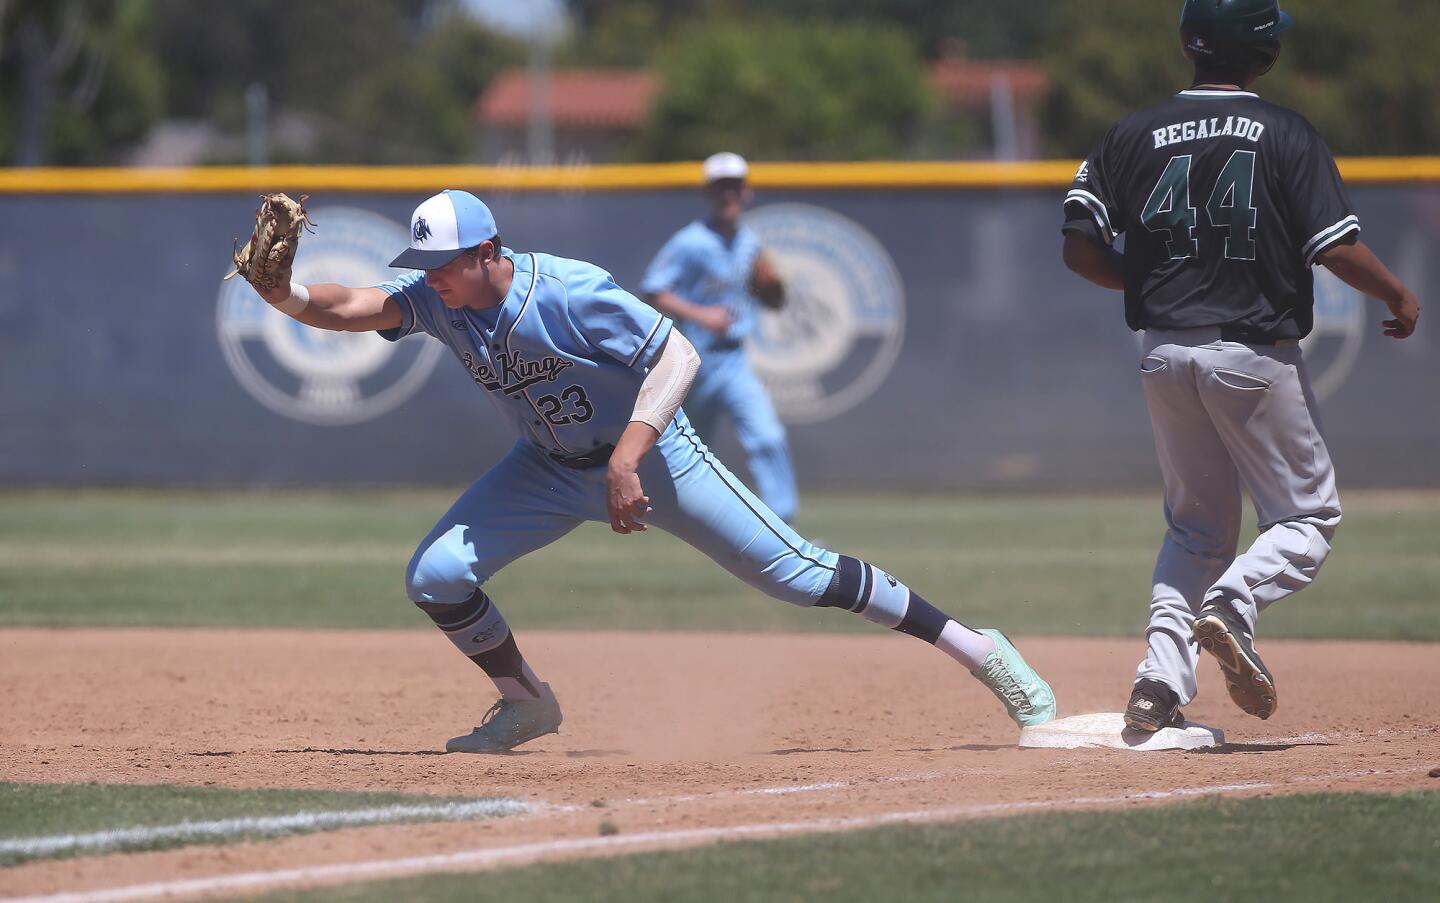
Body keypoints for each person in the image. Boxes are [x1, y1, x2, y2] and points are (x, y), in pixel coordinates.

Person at [246, 188, 1056, 752]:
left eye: (444, 262)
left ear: (487, 251)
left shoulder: (566, 292)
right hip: (547, 467)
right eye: (425, 264)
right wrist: (283, 296)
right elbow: (351, 305)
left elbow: (677, 352)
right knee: (436, 575)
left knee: (798, 575)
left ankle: (980, 649)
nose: (429, 276)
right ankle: (528, 704)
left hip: (655, 455)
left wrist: (630, 455)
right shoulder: (438, 298)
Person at [1060, 0, 1420, 732]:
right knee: (1308, 516)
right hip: (1251, 351)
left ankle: (1156, 688)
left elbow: (1079, 247)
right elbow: (1336, 247)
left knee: (1194, 530)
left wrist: (1160, 284)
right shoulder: (1286, 131)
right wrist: (1399, 293)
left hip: (1161, 350)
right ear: (1263, 52)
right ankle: (1234, 602)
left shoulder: (1131, 132)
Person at [641, 152, 800, 523]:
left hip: (733, 360)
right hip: (693, 362)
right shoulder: (691, 242)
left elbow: (769, 297)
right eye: (720, 188)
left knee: (767, 437)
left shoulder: (749, 243)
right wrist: (702, 315)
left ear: (747, 193)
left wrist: (772, 288)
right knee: (685, 450)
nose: (728, 195)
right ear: (709, 193)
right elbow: (654, 289)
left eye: (734, 187)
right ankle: (667, 515)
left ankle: (784, 525)